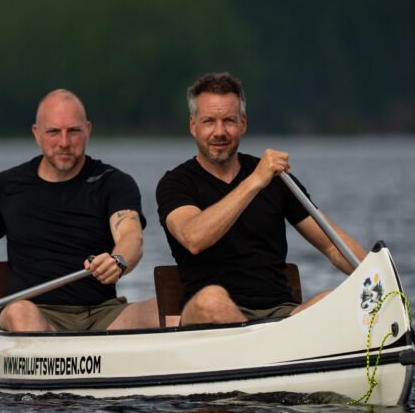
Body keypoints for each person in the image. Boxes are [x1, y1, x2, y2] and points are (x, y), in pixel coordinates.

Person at [0, 89, 158, 338]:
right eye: (53, 132)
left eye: (73, 131)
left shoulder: (114, 183)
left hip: (102, 314)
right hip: (33, 313)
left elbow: (131, 237)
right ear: (36, 134)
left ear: (88, 130)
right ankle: (49, 350)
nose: (64, 142)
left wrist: (118, 260)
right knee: (21, 312)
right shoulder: (8, 186)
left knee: (163, 310)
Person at [155, 72, 367, 326]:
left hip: (280, 315)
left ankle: (277, 341)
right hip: (208, 318)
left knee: (335, 299)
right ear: (193, 126)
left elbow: (333, 245)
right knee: (211, 300)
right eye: (209, 121)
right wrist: (255, 181)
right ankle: (264, 342)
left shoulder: (276, 178)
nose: (219, 132)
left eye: (229, 121)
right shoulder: (176, 183)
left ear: (243, 124)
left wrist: (378, 277)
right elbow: (194, 238)